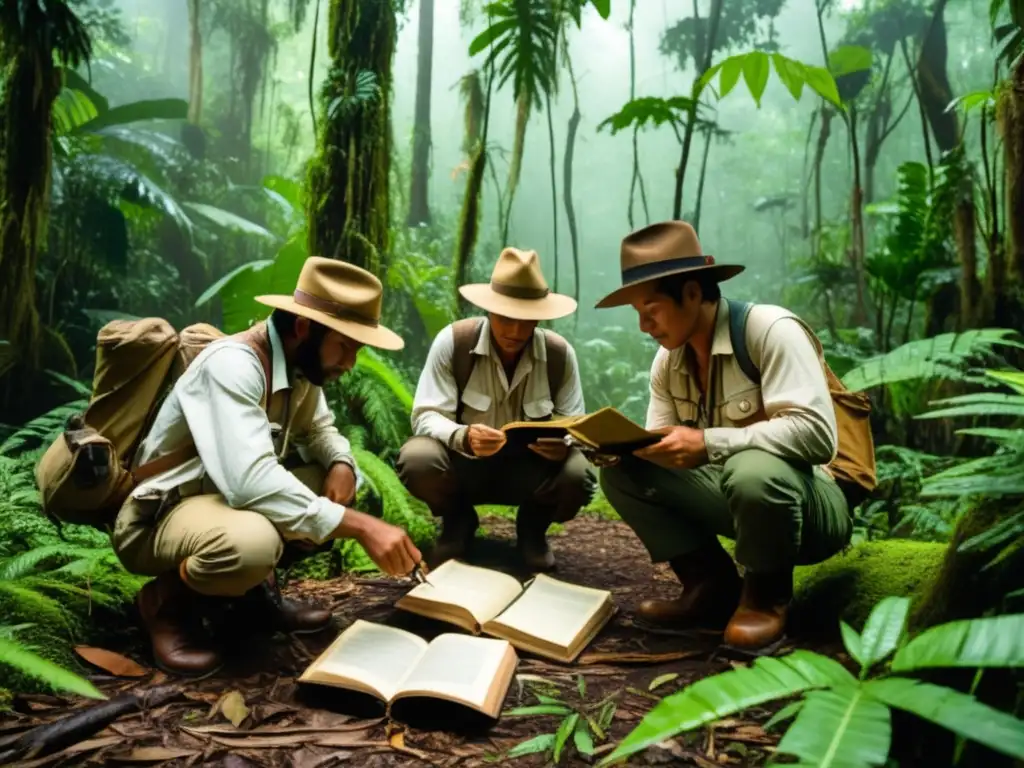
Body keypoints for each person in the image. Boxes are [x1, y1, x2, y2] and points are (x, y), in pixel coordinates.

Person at [112, 257, 423, 677]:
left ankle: (250, 600)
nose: (350, 362)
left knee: (350, 493)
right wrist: (362, 526)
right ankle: (164, 605)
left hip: (218, 500)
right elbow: (249, 482)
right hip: (160, 514)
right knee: (252, 545)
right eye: (345, 345)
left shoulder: (299, 367)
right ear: (303, 328)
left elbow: (320, 429)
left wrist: (341, 462)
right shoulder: (233, 366)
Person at [594, 220, 867, 653]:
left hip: (811, 505)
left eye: (652, 309)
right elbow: (660, 442)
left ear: (692, 293)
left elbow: (818, 436)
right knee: (626, 473)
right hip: (736, 497)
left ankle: (766, 598)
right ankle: (710, 589)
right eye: (638, 314)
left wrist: (709, 443)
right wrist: (615, 449)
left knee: (753, 468)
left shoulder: (771, 330)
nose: (645, 326)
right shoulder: (667, 362)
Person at [397, 247, 596, 571]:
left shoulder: (559, 355)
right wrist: (462, 436)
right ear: (488, 311)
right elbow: (425, 415)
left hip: (531, 473)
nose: (516, 332)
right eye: (506, 318)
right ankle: (457, 522)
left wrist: (566, 447)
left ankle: (533, 529)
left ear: (540, 317)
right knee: (417, 458)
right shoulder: (454, 342)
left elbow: (577, 427)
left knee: (578, 473)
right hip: (465, 466)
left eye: (526, 321)